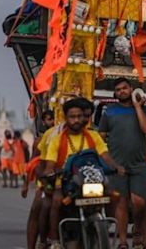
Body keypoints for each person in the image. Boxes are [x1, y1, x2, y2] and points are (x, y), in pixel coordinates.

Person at [44, 98, 125, 249]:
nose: (76, 120)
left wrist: (117, 167)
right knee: (56, 201)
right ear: (65, 118)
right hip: (66, 182)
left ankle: (104, 226)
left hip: (92, 181)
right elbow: (50, 164)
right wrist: (50, 171)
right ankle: (54, 240)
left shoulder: (93, 136)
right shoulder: (57, 139)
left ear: (84, 117)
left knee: (114, 196)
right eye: (72, 117)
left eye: (79, 116)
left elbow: (105, 157)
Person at [98, 78, 146, 249]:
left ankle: (140, 232)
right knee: (121, 203)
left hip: (139, 164)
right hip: (118, 166)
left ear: (132, 89)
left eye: (124, 88)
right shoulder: (109, 112)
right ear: (115, 93)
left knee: (139, 202)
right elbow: (101, 136)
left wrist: (137, 106)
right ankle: (123, 241)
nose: (121, 91)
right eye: (118, 89)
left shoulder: (145, 109)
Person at [22, 110, 55, 249]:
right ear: (43, 122)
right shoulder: (41, 140)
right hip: (47, 180)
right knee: (38, 208)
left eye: (53, 119)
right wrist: (25, 184)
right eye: (48, 119)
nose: (51, 122)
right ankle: (37, 243)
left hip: (70, 179)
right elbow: (33, 163)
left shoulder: (87, 134)